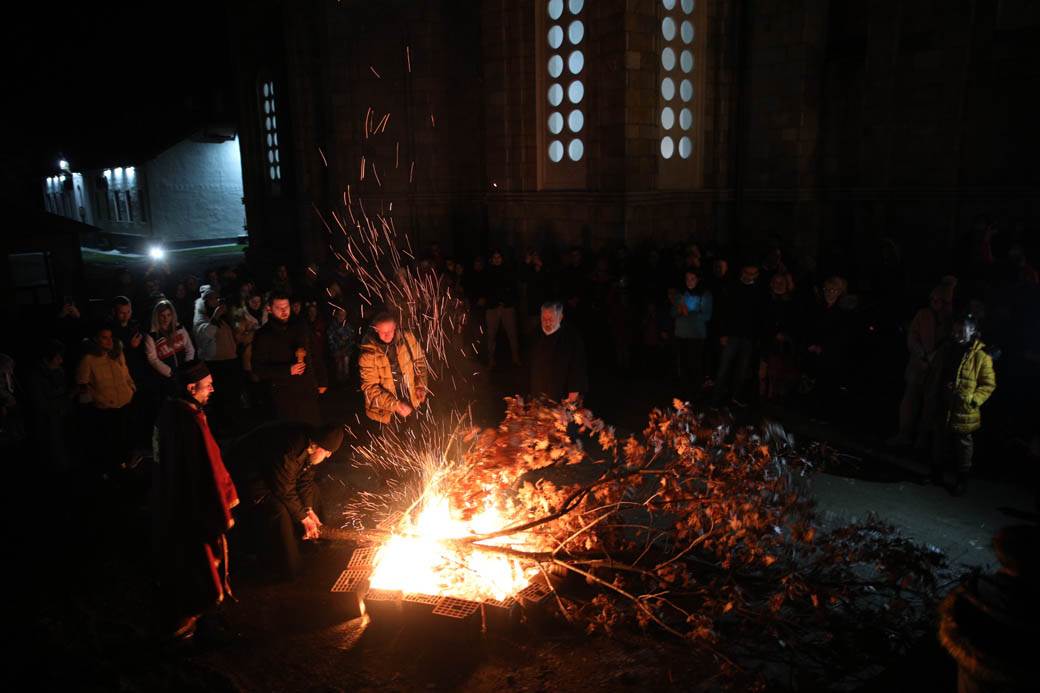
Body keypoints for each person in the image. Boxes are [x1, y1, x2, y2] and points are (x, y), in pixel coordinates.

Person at [152, 360, 239, 641]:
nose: (212, 389)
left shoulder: (171, 413)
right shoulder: (189, 421)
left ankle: (197, 617)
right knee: (201, 563)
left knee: (189, 562)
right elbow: (207, 468)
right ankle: (196, 623)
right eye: (208, 385)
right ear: (191, 388)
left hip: (177, 504)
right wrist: (220, 506)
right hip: (195, 508)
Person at [225, 421, 343, 579]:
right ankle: (287, 567)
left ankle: (312, 544)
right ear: (319, 446)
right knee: (279, 510)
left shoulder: (310, 447)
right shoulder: (290, 447)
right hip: (247, 479)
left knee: (312, 491)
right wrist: (304, 518)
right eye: (328, 452)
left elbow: (305, 480)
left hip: (273, 478)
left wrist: (308, 510)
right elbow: (284, 489)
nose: (329, 456)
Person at [926, 314, 996, 495]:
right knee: (939, 437)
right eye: (955, 331)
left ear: (972, 331)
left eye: (961, 331)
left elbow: (988, 384)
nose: (956, 334)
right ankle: (936, 473)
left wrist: (973, 399)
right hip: (943, 400)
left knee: (963, 444)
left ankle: (962, 479)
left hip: (964, 407)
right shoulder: (948, 348)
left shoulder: (981, 356)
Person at [889, 285, 954, 448]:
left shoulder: (951, 319)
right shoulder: (923, 315)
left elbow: (949, 343)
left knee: (930, 404)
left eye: (938, 300)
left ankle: (922, 439)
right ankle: (904, 433)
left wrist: (934, 358)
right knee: (910, 399)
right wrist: (921, 354)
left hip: (936, 369)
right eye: (932, 300)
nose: (934, 303)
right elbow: (913, 336)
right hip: (918, 365)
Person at [252, 292, 327, 426]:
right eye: (279, 308)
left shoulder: (301, 326)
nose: (284, 311)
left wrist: (322, 379)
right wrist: (287, 370)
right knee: (292, 432)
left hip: (307, 389)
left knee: (312, 428)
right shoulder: (263, 335)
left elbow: (315, 352)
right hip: (283, 395)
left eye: (286, 307)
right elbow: (258, 369)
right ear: (269, 309)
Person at [76, 324, 136, 475]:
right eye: (104, 338)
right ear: (96, 339)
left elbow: (126, 373)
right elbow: (83, 383)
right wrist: (99, 399)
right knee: (110, 441)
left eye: (110, 337)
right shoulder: (89, 359)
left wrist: (131, 387)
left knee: (125, 435)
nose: (109, 341)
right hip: (106, 408)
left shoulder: (117, 353)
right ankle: (112, 471)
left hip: (124, 400)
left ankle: (126, 466)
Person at [358, 311, 429, 425]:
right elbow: (369, 388)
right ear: (376, 329)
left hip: (411, 400)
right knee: (393, 440)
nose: (387, 336)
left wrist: (420, 385)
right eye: (382, 332)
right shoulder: (368, 353)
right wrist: (395, 405)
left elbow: (419, 361)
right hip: (386, 411)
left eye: (390, 331)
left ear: (395, 327)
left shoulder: (407, 338)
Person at [712, 264, 764, 406]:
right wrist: (723, 333)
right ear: (742, 271)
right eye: (747, 272)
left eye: (752, 273)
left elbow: (758, 315)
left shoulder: (758, 290)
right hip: (732, 335)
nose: (749, 276)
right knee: (724, 367)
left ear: (757, 274)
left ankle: (736, 397)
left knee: (742, 370)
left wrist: (756, 336)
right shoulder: (733, 287)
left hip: (748, 337)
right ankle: (716, 398)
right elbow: (724, 311)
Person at [194, 289, 240, 433]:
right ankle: (222, 428)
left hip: (229, 360)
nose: (217, 302)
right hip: (215, 363)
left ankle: (232, 424)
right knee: (220, 398)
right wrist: (215, 316)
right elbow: (206, 335)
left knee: (231, 396)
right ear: (205, 302)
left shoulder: (221, 319)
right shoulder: (201, 319)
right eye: (213, 299)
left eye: (217, 299)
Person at [529, 301, 588, 402]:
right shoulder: (535, 334)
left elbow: (578, 366)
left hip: (563, 393)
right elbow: (530, 365)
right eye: (544, 319)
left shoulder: (571, 337)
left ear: (560, 317)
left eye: (551, 319)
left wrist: (574, 389)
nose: (547, 323)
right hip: (539, 392)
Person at [671, 270, 713, 396]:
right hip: (681, 335)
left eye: (692, 279)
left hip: (696, 336)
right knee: (683, 366)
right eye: (687, 279)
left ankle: (695, 394)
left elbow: (707, 316)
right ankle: (684, 395)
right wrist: (678, 310)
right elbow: (672, 313)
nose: (689, 282)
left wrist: (689, 313)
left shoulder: (705, 295)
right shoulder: (680, 295)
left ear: (698, 279)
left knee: (694, 366)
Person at [144, 299, 195, 401]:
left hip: (185, 373)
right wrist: (170, 372)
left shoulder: (179, 328)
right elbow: (153, 359)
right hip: (167, 378)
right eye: (162, 315)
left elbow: (189, 348)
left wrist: (187, 366)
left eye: (168, 315)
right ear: (157, 316)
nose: (165, 318)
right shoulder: (152, 336)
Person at [485, 250, 521, 368]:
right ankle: (491, 360)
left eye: (499, 257)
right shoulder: (488, 272)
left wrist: (507, 301)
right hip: (492, 308)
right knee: (491, 335)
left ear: (502, 258)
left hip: (507, 307)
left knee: (512, 333)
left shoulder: (509, 271)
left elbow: (514, 288)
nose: (497, 259)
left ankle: (515, 358)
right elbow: (486, 290)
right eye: (494, 257)